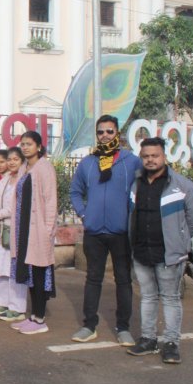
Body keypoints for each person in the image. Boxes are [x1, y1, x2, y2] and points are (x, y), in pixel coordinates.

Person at [126, 137, 193, 364]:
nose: (150, 160)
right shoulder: (136, 184)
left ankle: (171, 343)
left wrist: (180, 240)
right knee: (148, 297)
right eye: (146, 156)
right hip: (141, 252)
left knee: (170, 299)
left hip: (169, 254)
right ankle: (148, 339)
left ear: (164, 157)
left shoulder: (181, 185)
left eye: (155, 155)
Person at [70, 115, 142, 346]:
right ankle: (89, 325)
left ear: (117, 133)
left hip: (120, 232)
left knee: (123, 280)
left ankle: (123, 328)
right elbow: (74, 191)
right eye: (101, 132)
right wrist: (84, 213)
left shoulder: (131, 161)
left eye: (109, 131)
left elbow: (143, 188)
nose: (105, 136)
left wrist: (132, 216)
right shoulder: (88, 163)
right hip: (94, 232)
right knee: (93, 279)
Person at [10, 131, 58, 335]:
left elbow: (50, 202)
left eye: (29, 144)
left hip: (38, 229)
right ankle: (32, 316)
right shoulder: (24, 168)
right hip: (23, 228)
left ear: (39, 146)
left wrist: (48, 230)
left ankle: (40, 319)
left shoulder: (44, 168)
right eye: (22, 144)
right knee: (28, 273)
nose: (25, 147)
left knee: (38, 273)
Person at [0, 147, 28, 322]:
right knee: (1, 267)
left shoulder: (24, 180)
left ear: (22, 161)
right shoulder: (5, 179)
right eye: (9, 159)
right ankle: (3, 302)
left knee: (14, 268)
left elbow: (16, 206)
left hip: (15, 229)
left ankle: (17, 307)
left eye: (15, 159)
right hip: (0, 229)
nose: (11, 162)